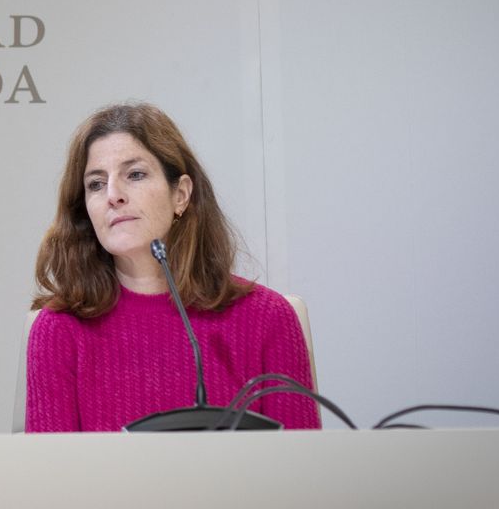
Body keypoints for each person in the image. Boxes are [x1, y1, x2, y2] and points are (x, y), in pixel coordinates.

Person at [25, 102, 319, 432]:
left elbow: (303, 474)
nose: (113, 195)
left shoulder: (268, 319)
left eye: (134, 175)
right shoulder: (59, 330)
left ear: (180, 195)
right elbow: (49, 479)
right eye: (95, 183)